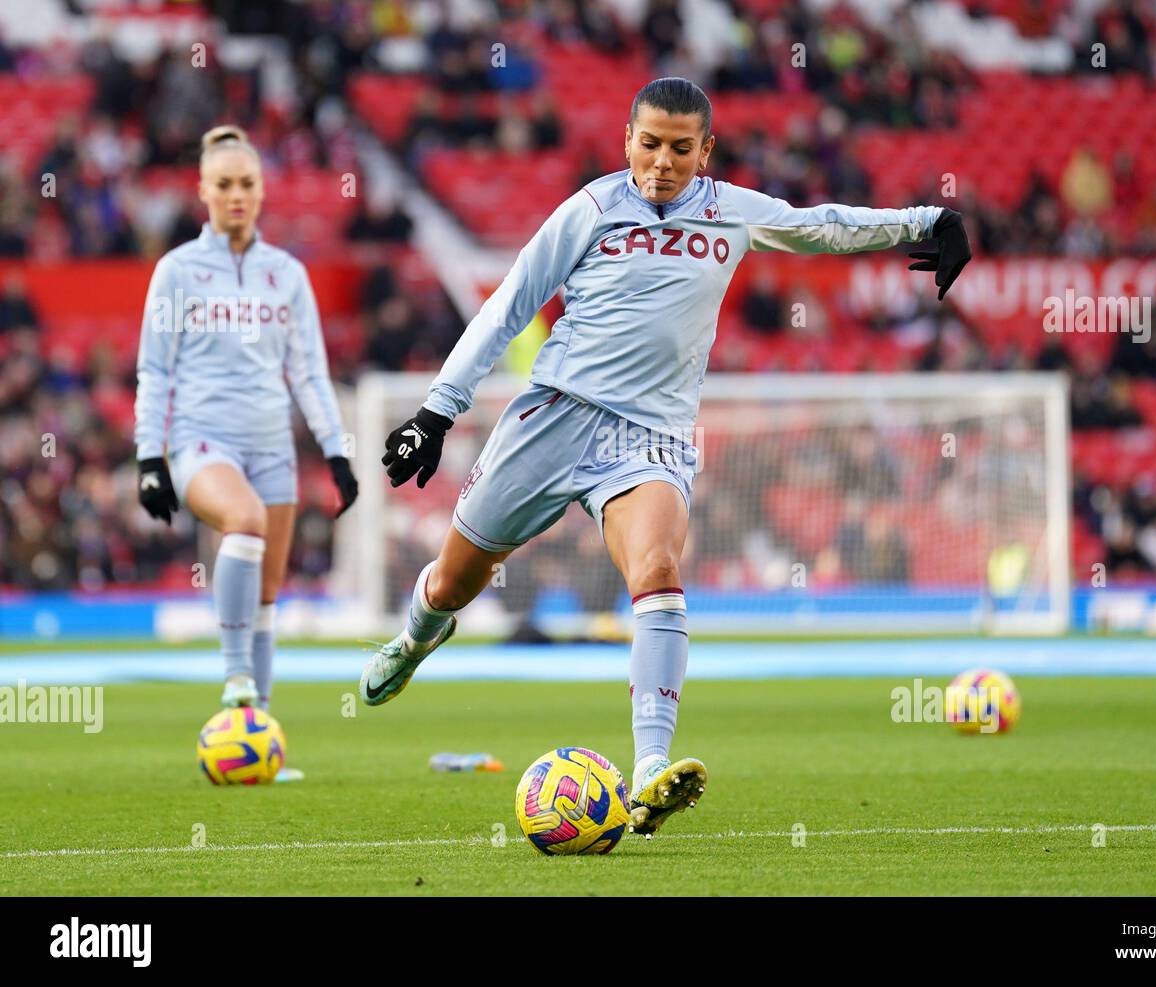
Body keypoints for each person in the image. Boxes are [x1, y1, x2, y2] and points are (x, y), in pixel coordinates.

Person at [360, 78, 970, 835]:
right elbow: (509, 303)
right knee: (455, 581)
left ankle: (649, 768)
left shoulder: (731, 213)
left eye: (681, 148)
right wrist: (436, 410)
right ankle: (418, 636)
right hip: (552, 419)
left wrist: (929, 220)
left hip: (649, 438)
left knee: (656, 569)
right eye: (649, 144)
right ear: (627, 140)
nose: (662, 162)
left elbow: (823, 227)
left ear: (705, 151)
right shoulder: (589, 210)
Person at [134, 125, 357, 780]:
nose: (237, 195)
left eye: (248, 183)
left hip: (272, 449)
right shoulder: (177, 271)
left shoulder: (285, 274)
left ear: (262, 191)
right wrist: (151, 458)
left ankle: (255, 738)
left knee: (267, 596)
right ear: (202, 191)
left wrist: (337, 454)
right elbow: (156, 369)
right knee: (245, 520)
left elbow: (309, 372)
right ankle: (235, 678)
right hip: (201, 442)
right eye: (224, 184)